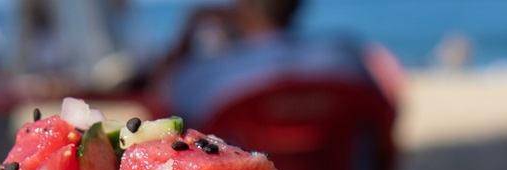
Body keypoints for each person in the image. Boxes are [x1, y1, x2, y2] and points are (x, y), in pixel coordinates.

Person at [150, 0, 377, 126]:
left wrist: (187, 35)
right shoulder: (345, 56)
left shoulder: (210, 75)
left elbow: (167, 117)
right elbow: (382, 120)